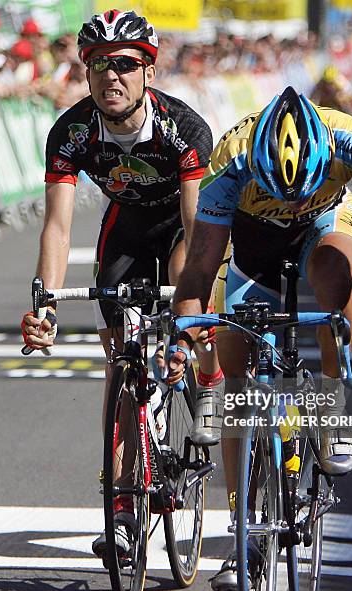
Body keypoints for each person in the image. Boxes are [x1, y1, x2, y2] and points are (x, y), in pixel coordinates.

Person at [167, 86, 352, 591]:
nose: (292, 200)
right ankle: (243, 532)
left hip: (326, 225)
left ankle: (334, 400)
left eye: (300, 187)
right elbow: (200, 271)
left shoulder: (348, 139)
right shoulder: (230, 162)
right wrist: (183, 341)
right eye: (281, 189)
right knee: (237, 378)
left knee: (331, 281)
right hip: (253, 239)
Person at [20, 9, 223, 561]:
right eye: (99, 65)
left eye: (127, 65)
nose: (113, 76)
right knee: (122, 366)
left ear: (148, 73)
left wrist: (188, 323)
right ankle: (123, 506)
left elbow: (195, 230)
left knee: (192, 300)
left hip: (182, 228)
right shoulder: (72, 131)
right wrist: (45, 306)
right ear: (85, 73)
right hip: (126, 231)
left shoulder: (184, 128)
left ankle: (206, 375)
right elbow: (57, 229)